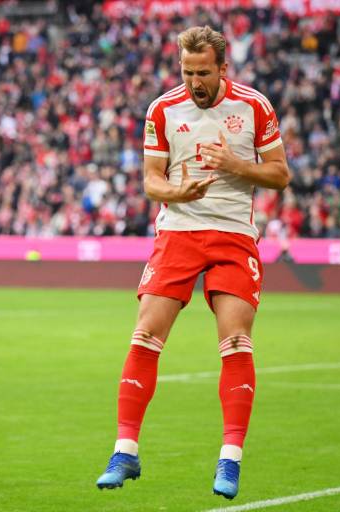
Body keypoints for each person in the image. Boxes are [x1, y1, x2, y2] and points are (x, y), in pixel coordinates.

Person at [95, 26, 291, 500]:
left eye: (203, 72)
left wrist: (235, 165)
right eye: (187, 72)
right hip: (178, 230)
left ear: (223, 68)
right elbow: (151, 182)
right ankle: (125, 450)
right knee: (145, 331)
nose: (194, 81)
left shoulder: (254, 106)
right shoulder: (162, 109)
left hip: (233, 235)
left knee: (236, 339)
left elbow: (280, 174)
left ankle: (230, 459)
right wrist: (176, 192)